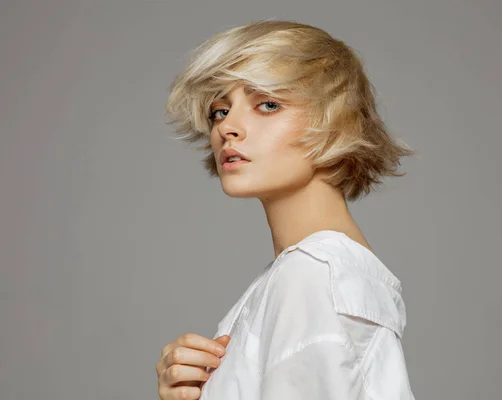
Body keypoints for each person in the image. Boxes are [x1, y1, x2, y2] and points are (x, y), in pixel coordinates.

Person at [155, 20, 417, 400]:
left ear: (335, 122)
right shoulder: (318, 273)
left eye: (267, 104)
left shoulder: (312, 274)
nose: (228, 126)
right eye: (219, 111)